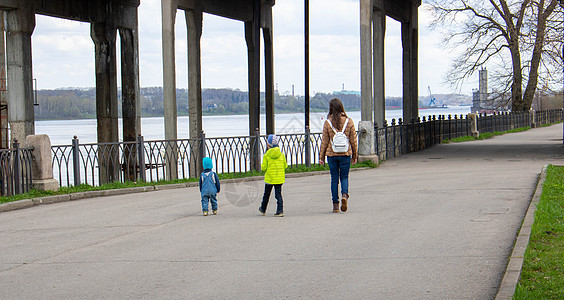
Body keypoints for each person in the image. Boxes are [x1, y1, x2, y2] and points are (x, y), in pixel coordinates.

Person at [319, 98, 358, 213]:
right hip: (345, 154)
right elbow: (353, 140)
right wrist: (355, 155)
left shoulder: (328, 122)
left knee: (334, 179)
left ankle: (335, 205)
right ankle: (344, 196)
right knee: (344, 177)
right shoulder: (349, 121)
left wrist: (321, 157)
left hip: (332, 155)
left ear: (331, 108)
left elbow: (324, 141)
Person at [259, 134, 288, 217]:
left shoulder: (267, 155)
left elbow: (264, 167)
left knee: (266, 194)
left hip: (270, 179)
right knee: (278, 194)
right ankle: (280, 210)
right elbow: (285, 166)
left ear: (268, 145)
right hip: (279, 179)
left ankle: (263, 209)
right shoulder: (281, 155)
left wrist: (263, 167)